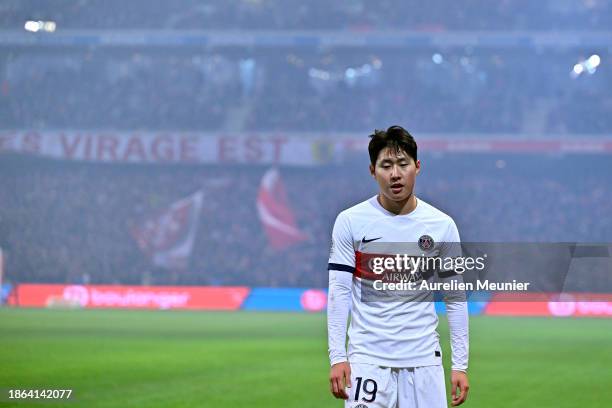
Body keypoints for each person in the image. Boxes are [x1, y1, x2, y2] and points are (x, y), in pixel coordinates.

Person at [327, 126, 469, 407]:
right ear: (372, 170)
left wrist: (460, 365)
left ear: (417, 167)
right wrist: (337, 356)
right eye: (386, 165)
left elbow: (455, 298)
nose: (395, 173)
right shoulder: (350, 221)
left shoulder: (442, 225)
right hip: (367, 362)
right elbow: (339, 292)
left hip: (424, 361)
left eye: (403, 164)